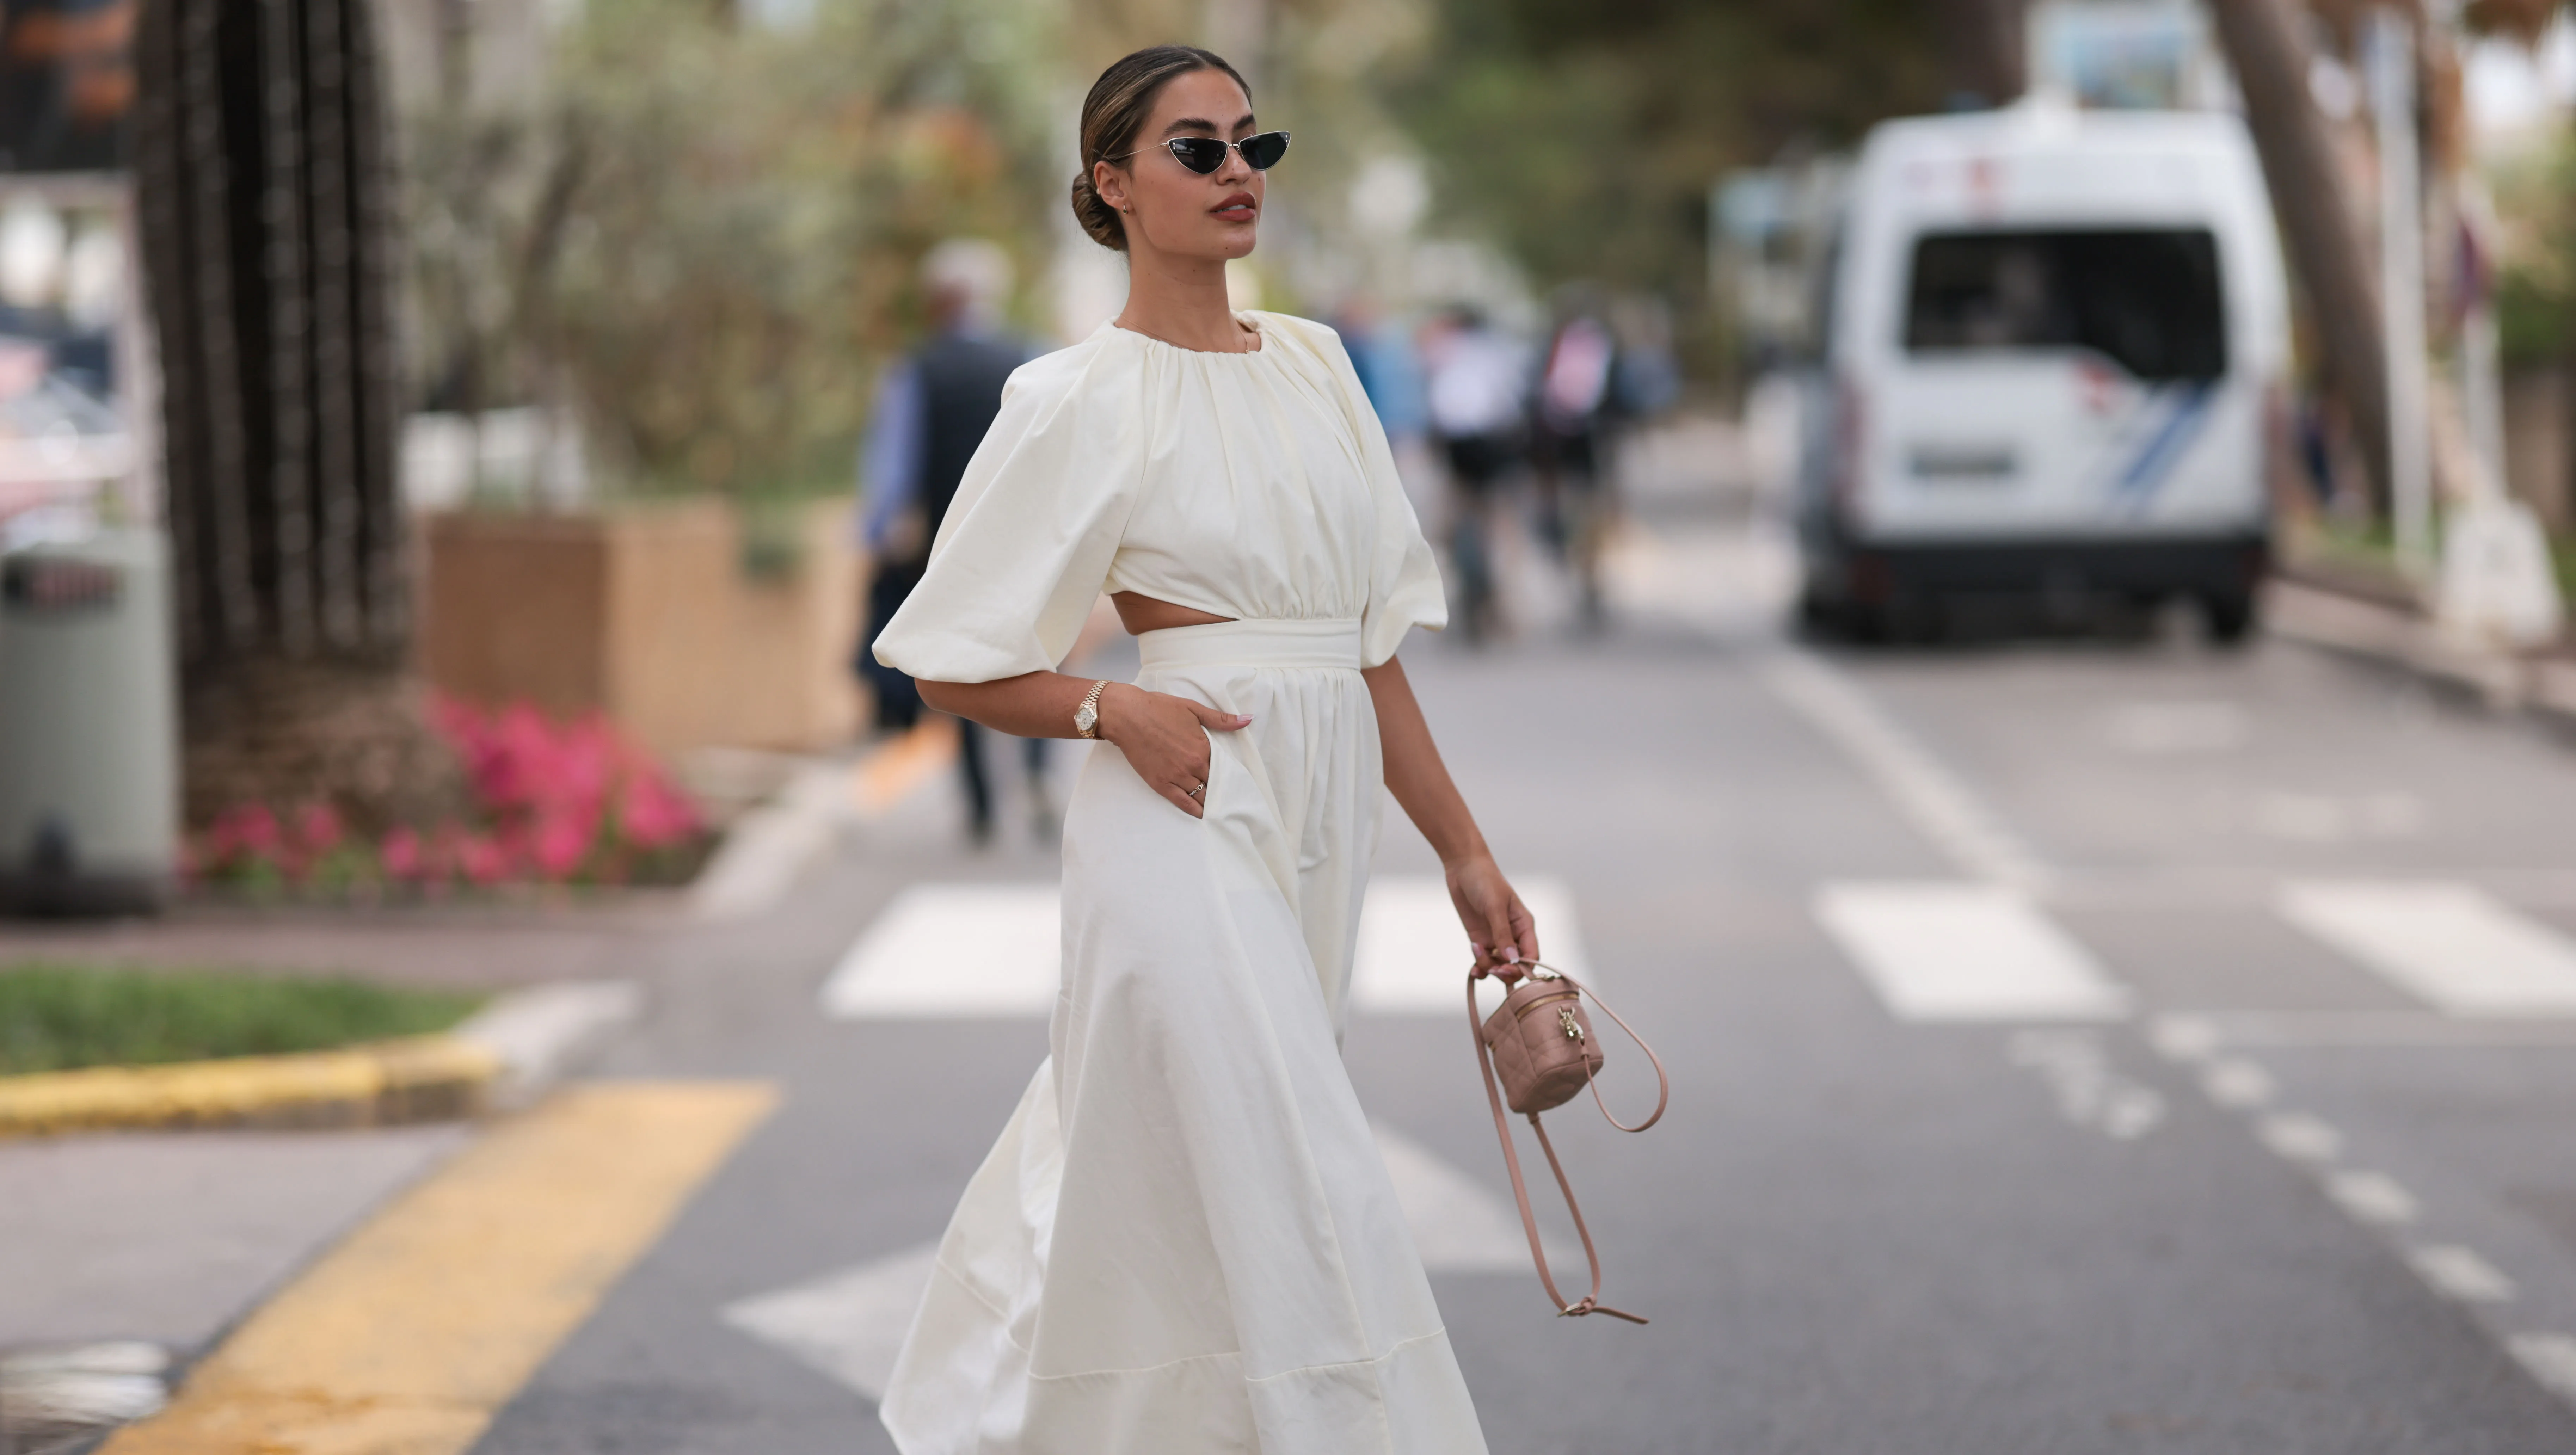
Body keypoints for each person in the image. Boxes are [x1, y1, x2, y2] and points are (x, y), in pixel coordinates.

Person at [870, 45, 1536, 1455]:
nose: (1239, 171)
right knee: (1295, 1164)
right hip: (1176, 809)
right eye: (1198, 149)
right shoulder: (1072, 398)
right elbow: (950, 660)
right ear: (1111, 183)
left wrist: (1466, 853)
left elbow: (1366, 645)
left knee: (1188, 1177)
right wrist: (1110, 706)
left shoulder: (1318, 365)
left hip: (1320, 808)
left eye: (1252, 144)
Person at [855, 240, 1052, 844]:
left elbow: (895, 467)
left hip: (952, 541)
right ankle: (1037, 774)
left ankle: (981, 805)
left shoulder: (916, 370)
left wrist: (876, 535)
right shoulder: (1031, 360)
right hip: (1025, 541)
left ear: (941, 300)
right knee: (1039, 654)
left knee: (963, 666)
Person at [1421, 305, 1525, 644]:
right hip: (1493, 444)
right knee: (1498, 524)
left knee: (1458, 518)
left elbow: (1436, 405)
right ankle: (1499, 604)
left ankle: (1474, 593)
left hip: (1460, 447)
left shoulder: (1444, 351)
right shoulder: (1496, 352)